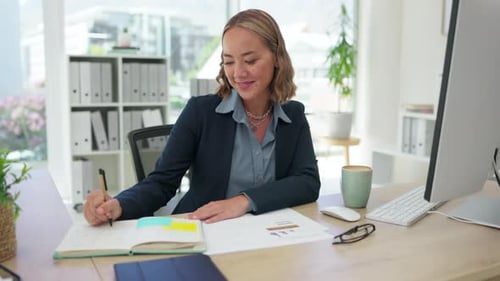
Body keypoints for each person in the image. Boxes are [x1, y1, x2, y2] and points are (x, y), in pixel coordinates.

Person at [84, 8, 320, 225]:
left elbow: (308, 182)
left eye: (250, 60)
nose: (238, 73)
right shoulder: (200, 112)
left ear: (277, 58)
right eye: (229, 61)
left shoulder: (294, 115)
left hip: (267, 234)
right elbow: (161, 182)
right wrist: (117, 205)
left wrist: (244, 201)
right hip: (203, 232)